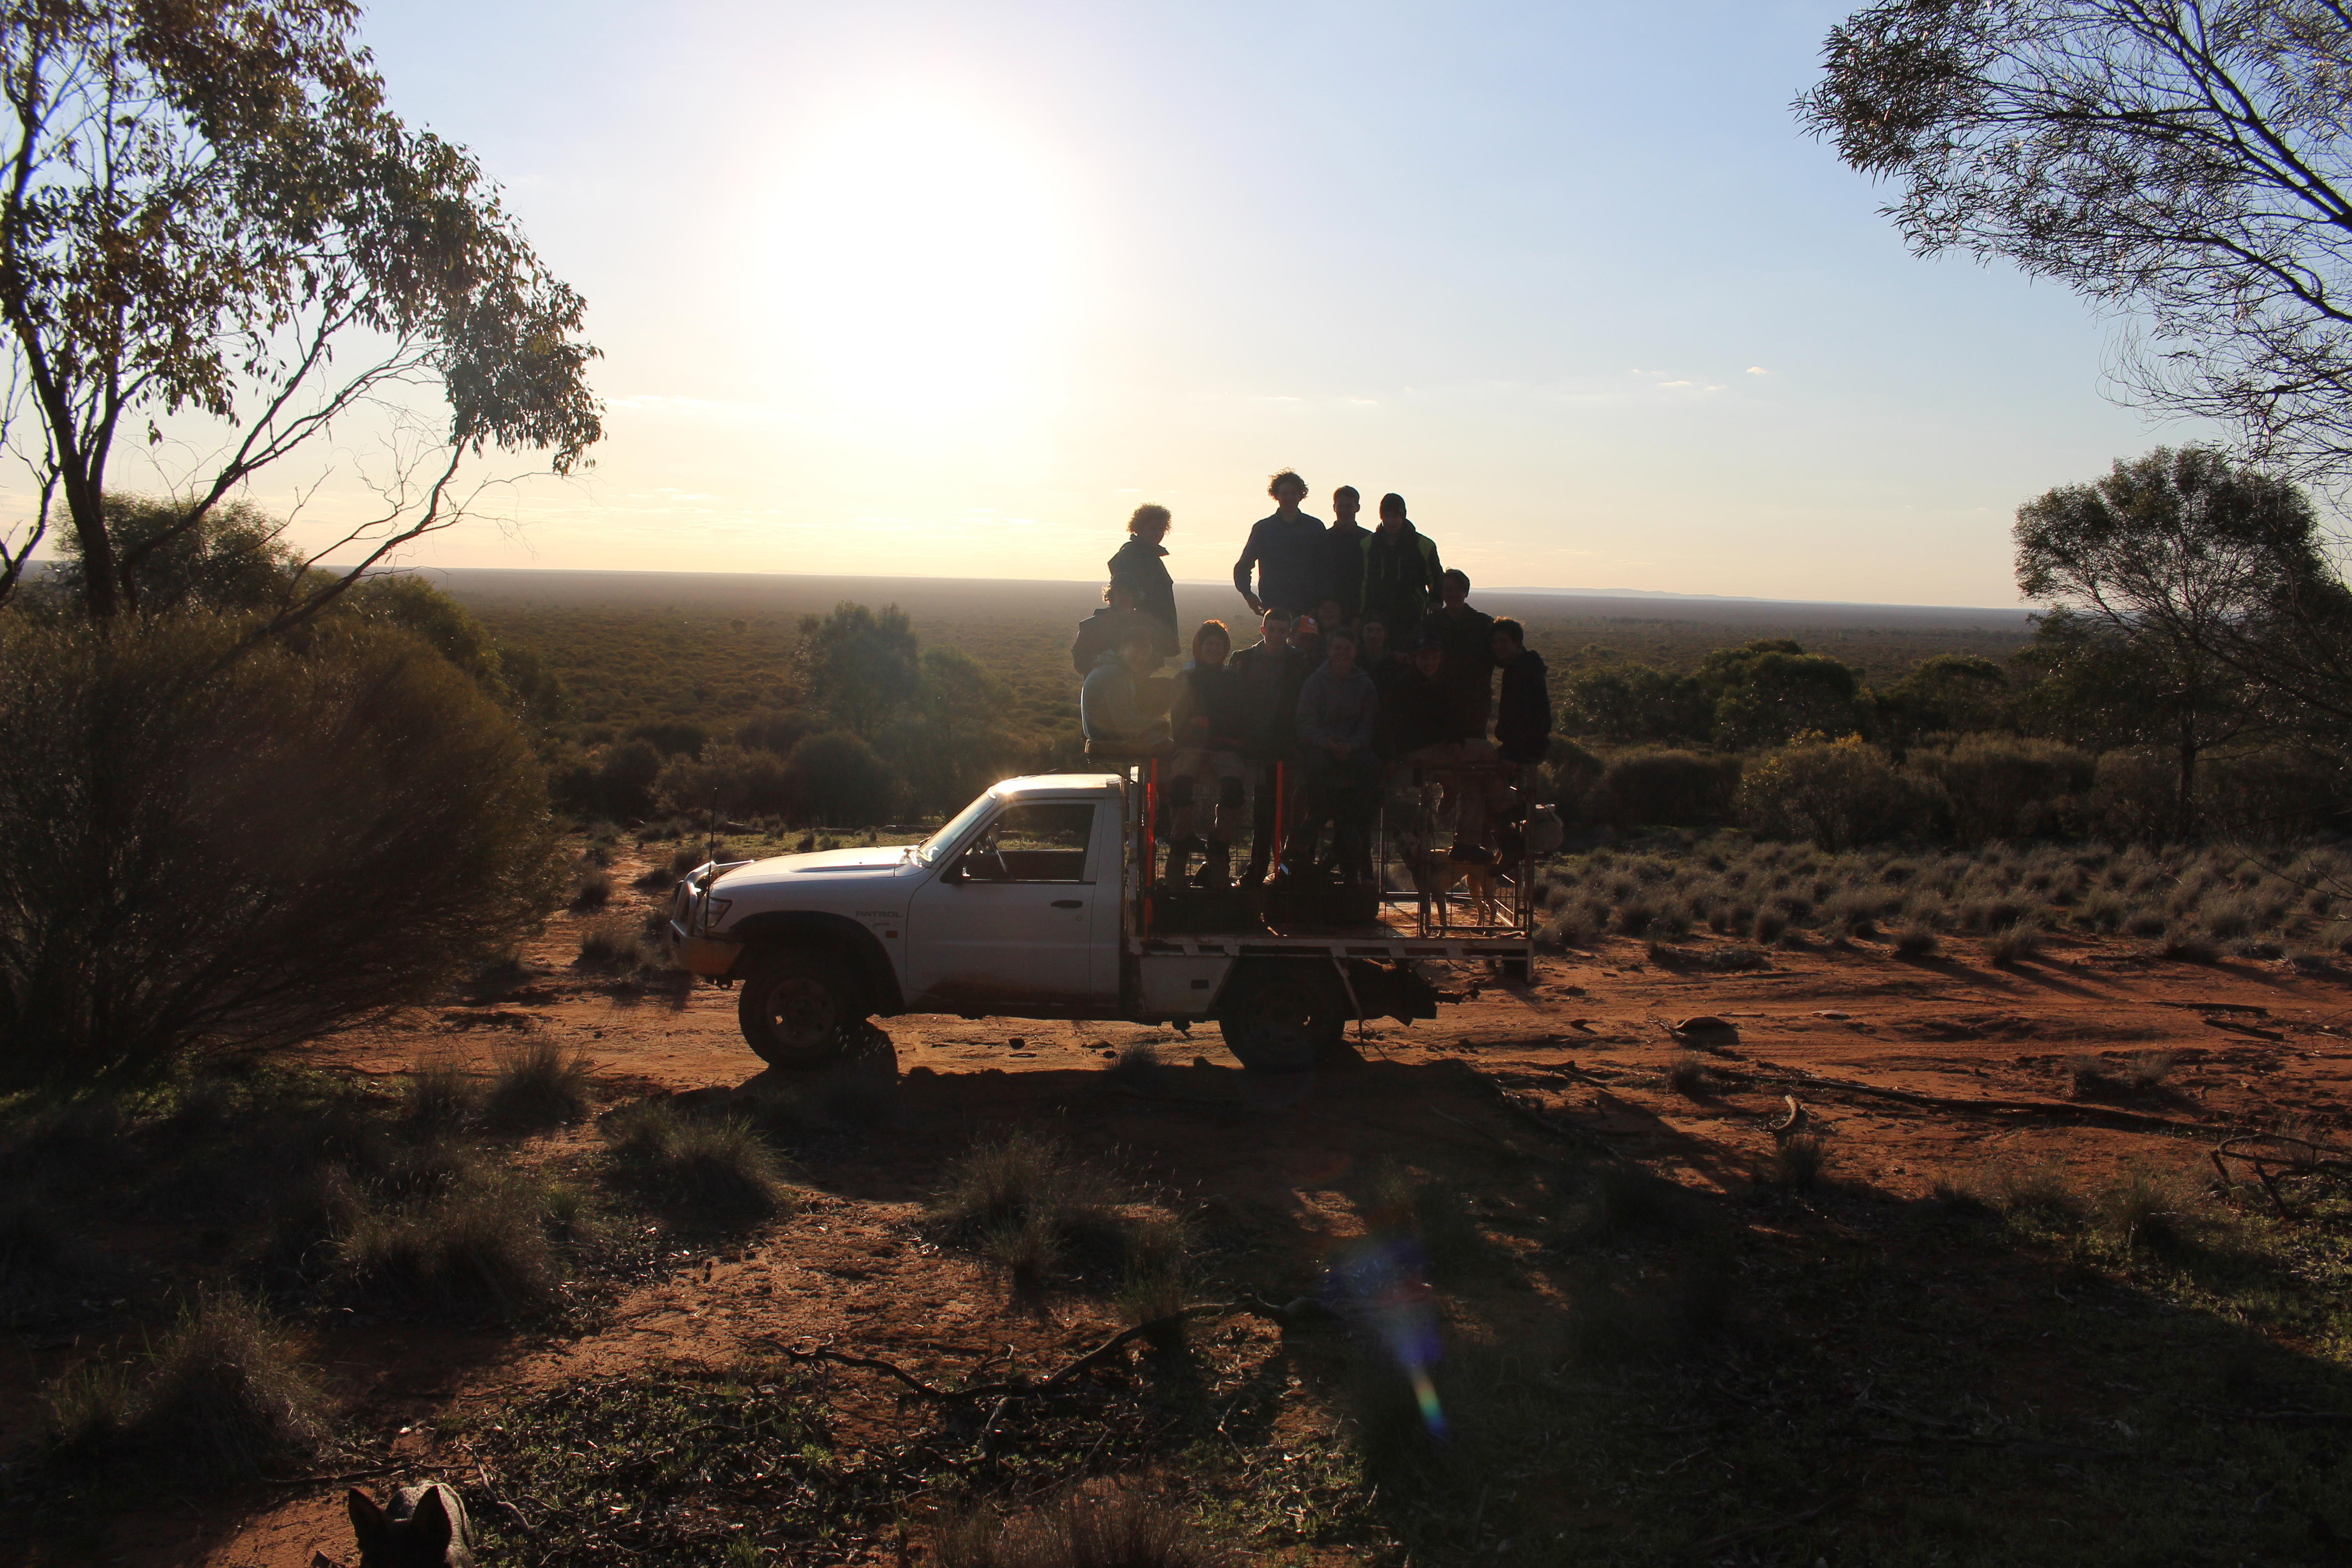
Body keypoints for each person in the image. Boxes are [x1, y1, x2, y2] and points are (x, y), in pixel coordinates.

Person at [1293, 627, 1382, 883]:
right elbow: (1305, 722)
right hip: (1321, 747)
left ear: (1355, 653)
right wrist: (1325, 742)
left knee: (1373, 768)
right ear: (1330, 651)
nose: (1342, 653)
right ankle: (1322, 815)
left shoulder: (1365, 685)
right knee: (1315, 766)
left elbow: (1368, 724)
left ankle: (1344, 818)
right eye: (1338, 648)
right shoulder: (1315, 682)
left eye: (1348, 648)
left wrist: (1352, 746)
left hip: (1353, 748)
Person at [1165, 620, 1249, 888]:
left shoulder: (1233, 680)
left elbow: (1238, 718)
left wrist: (1205, 723)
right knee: (1179, 786)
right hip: (1191, 745)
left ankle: (1218, 850)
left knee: (1234, 791)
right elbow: (1179, 722)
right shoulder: (1185, 678)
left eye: (1219, 645)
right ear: (1199, 647)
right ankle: (1180, 846)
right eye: (1209, 644)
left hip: (1224, 746)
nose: (1214, 649)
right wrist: (1208, 725)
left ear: (1225, 649)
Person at [1230, 607, 1309, 885]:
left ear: (1289, 633)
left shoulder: (1302, 662)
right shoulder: (1243, 660)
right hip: (1252, 746)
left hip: (1287, 747)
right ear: (1263, 630)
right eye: (1271, 629)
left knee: (1288, 813)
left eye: (1281, 630)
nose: (1276, 635)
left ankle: (1283, 873)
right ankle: (1262, 870)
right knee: (1262, 812)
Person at [1231, 469, 1324, 617]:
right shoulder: (1263, 529)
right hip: (1274, 608)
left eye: (1293, 493)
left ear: (1301, 495)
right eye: (1284, 494)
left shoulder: (1315, 528)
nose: (1289, 498)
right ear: (1276, 496)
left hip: (1309, 609)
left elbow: (1325, 567)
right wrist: (1248, 595)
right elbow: (1244, 565)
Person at [1359, 493, 1444, 648]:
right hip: (1376, 618)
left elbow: (1436, 579)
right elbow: (1362, 582)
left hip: (1411, 619)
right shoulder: (1368, 545)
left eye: (1395, 516)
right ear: (1381, 517)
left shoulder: (1424, 545)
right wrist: (1361, 614)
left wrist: (1435, 603)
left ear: (1403, 516)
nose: (1391, 521)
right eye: (1387, 516)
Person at [1426, 568, 1497, 741]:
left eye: (1458, 589)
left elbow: (1502, 656)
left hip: (1474, 705)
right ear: (1442, 593)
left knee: (1473, 756)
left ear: (1466, 592)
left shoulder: (1485, 624)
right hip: (1438, 703)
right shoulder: (1430, 625)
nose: (1453, 594)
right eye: (1448, 590)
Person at [1080, 634, 1172, 756]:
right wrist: (1156, 723)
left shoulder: (1110, 669)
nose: (1140, 658)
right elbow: (1124, 721)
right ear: (1123, 649)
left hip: (1100, 734)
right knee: (1175, 751)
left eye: (1145, 654)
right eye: (1136, 650)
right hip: (1109, 737)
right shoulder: (1116, 674)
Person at [1108, 504, 1179, 658]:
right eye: (1152, 528)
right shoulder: (1130, 556)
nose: (1157, 533)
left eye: (1161, 529)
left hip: (1151, 637)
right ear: (1139, 528)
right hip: (1138, 639)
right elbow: (1123, 600)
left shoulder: (1150, 557)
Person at [1491, 618, 1552, 769]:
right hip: (1525, 748)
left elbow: (1524, 716)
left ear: (1517, 642)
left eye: (1503, 641)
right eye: (1495, 642)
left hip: (1523, 750)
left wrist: (1513, 754)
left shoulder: (1523, 671)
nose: (1498, 647)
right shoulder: (1521, 666)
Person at [1071, 580, 1161, 678]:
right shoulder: (1091, 626)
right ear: (1111, 595)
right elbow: (1080, 663)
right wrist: (1107, 664)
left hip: (1135, 688)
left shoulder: (1144, 627)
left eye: (1129, 592)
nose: (1125, 596)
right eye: (1121, 592)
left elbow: (1155, 660)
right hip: (1101, 688)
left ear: (1136, 596)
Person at [1319, 486, 1371, 626]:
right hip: (1328, 611)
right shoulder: (1323, 539)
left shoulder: (1369, 540)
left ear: (1357, 508)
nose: (1344, 511)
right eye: (1341, 506)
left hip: (1360, 611)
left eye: (1349, 506)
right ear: (1334, 507)